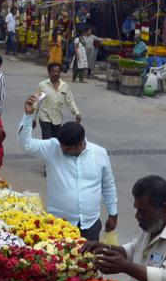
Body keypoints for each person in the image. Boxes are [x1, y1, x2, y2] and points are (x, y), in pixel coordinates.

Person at [19, 94, 116, 242]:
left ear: (81, 144)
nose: (63, 151)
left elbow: (108, 185)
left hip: (90, 225)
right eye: (62, 147)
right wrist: (27, 116)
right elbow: (26, 144)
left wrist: (113, 213)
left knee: (90, 263)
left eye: (68, 149)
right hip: (58, 224)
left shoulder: (100, 153)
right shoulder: (53, 147)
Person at [34, 62, 80, 140]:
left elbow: (70, 101)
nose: (56, 74)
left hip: (57, 119)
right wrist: (33, 118)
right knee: (47, 141)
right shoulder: (43, 85)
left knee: (56, 141)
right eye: (53, 71)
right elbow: (36, 102)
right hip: (45, 117)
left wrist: (77, 113)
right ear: (49, 72)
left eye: (58, 72)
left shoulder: (64, 86)